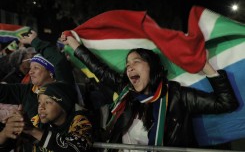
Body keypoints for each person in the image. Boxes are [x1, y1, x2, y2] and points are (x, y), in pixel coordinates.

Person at [60, 34, 239, 150]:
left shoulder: (178, 97)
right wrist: (74, 43)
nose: (129, 68)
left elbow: (226, 102)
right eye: (127, 65)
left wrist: (206, 67)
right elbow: (98, 68)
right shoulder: (126, 92)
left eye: (136, 62)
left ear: (151, 67)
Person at [0, 31, 75, 151]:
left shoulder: (63, 89)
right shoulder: (27, 91)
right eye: (30, 68)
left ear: (51, 72)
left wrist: (35, 42)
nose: (30, 72)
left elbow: (59, 62)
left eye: (36, 68)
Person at [0, 82, 93, 151]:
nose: (41, 107)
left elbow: (76, 148)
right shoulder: (37, 120)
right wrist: (6, 133)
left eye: (47, 102)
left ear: (64, 105)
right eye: (39, 102)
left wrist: (33, 131)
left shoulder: (80, 120)